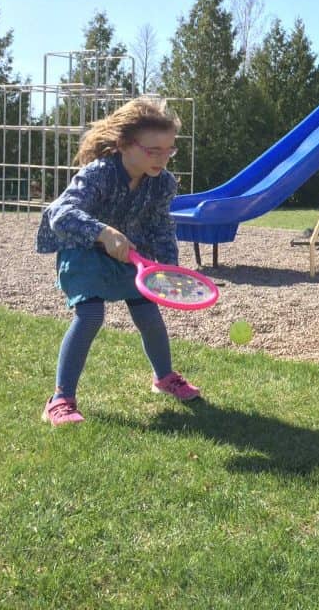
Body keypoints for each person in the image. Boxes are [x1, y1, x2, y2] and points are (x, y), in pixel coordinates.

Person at [37, 98, 201, 426]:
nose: (163, 158)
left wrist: (169, 268)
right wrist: (103, 233)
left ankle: (164, 378)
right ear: (125, 145)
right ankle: (60, 400)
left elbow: (160, 227)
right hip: (83, 253)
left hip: (132, 256)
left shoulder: (163, 182)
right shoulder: (99, 173)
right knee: (90, 315)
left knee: (148, 315)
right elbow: (59, 214)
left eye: (169, 150)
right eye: (153, 150)